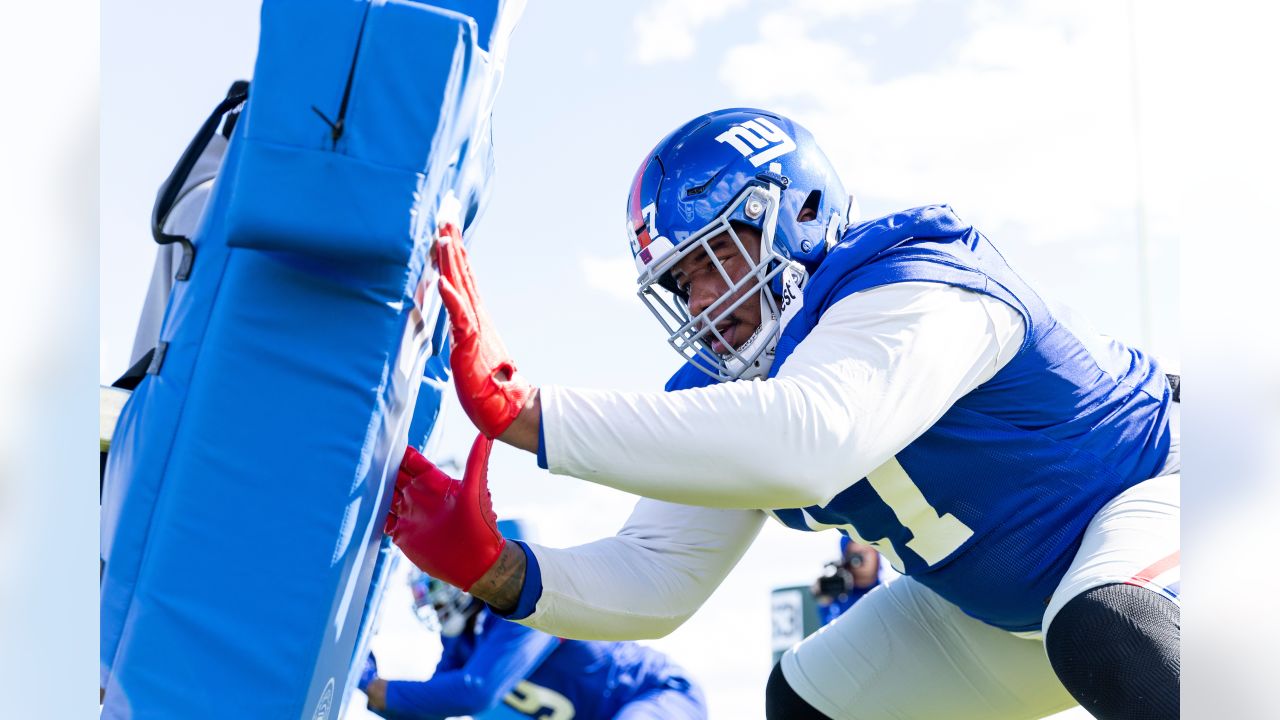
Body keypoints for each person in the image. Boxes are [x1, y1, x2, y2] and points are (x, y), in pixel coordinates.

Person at [386, 108, 1181, 720]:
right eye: (680, 281)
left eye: (716, 256)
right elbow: (656, 578)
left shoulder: (917, 279)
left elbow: (813, 439)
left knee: (1107, 624)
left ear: (796, 212)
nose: (701, 300)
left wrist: (523, 413)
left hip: (1179, 502)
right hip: (1013, 614)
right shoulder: (727, 394)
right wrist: (495, 568)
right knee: (810, 702)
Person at [358, 569, 707, 719]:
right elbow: (432, 707)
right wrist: (363, 682)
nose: (432, 604)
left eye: (434, 589)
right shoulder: (465, 637)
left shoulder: (521, 608)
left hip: (652, 694)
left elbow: (474, 691)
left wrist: (376, 686)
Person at [812, 536, 884, 627]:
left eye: (866, 552)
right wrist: (825, 602)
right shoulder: (837, 596)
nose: (861, 559)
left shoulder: (888, 591)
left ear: (877, 553)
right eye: (855, 554)